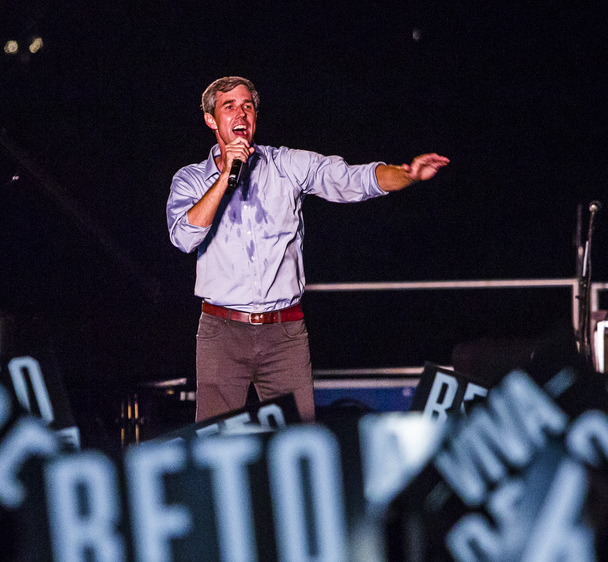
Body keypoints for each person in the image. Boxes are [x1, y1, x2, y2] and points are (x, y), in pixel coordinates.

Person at [166, 76, 449, 422]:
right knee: (215, 443)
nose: (241, 114)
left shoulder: (286, 165)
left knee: (299, 438)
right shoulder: (191, 179)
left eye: (248, 106)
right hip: (222, 330)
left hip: (283, 332)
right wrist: (225, 176)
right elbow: (183, 237)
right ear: (211, 119)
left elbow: (350, 179)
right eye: (230, 107)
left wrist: (408, 175)